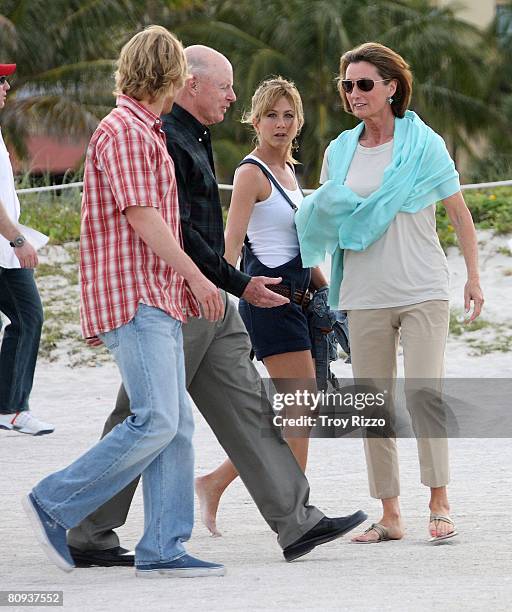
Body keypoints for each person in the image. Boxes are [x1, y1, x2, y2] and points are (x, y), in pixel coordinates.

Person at [66, 45, 366, 566]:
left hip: (213, 296)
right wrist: (239, 284)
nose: (233, 96)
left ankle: (296, 520)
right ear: (191, 85)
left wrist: (232, 286)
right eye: (225, 86)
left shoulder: (194, 137)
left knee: (248, 406)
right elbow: (178, 231)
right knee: (143, 417)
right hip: (177, 298)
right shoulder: (166, 138)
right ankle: (85, 525)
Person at [23, 26, 227, 579]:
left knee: (175, 423)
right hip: (135, 295)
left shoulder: (142, 129)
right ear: (170, 75)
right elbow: (144, 218)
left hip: (152, 294)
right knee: (157, 419)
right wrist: (201, 280)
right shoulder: (129, 132)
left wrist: (183, 284)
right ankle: (55, 501)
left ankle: (164, 545)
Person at [295, 42, 484, 544]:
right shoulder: (339, 150)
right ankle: (391, 513)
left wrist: (473, 276)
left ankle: (439, 500)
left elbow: (459, 213)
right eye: (347, 85)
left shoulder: (425, 145)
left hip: (422, 286)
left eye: (364, 84)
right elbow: (328, 217)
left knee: (425, 395)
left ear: (391, 87)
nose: (353, 93)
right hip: (363, 291)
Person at [195, 77, 329, 526]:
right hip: (269, 302)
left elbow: (302, 246)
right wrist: (217, 300)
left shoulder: (291, 173)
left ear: (299, 121)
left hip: (301, 301)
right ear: (254, 119)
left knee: (296, 409)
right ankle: (298, 511)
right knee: (301, 407)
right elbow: (230, 249)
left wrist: (330, 293)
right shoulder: (251, 173)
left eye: (289, 115)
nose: (281, 123)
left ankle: (216, 482)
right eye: (271, 114)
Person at [0, 62, 53, 437]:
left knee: (23, 320)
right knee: (29, 318)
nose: (6, 86)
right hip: (5, 249)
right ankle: (12, 408)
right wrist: (18, 240)